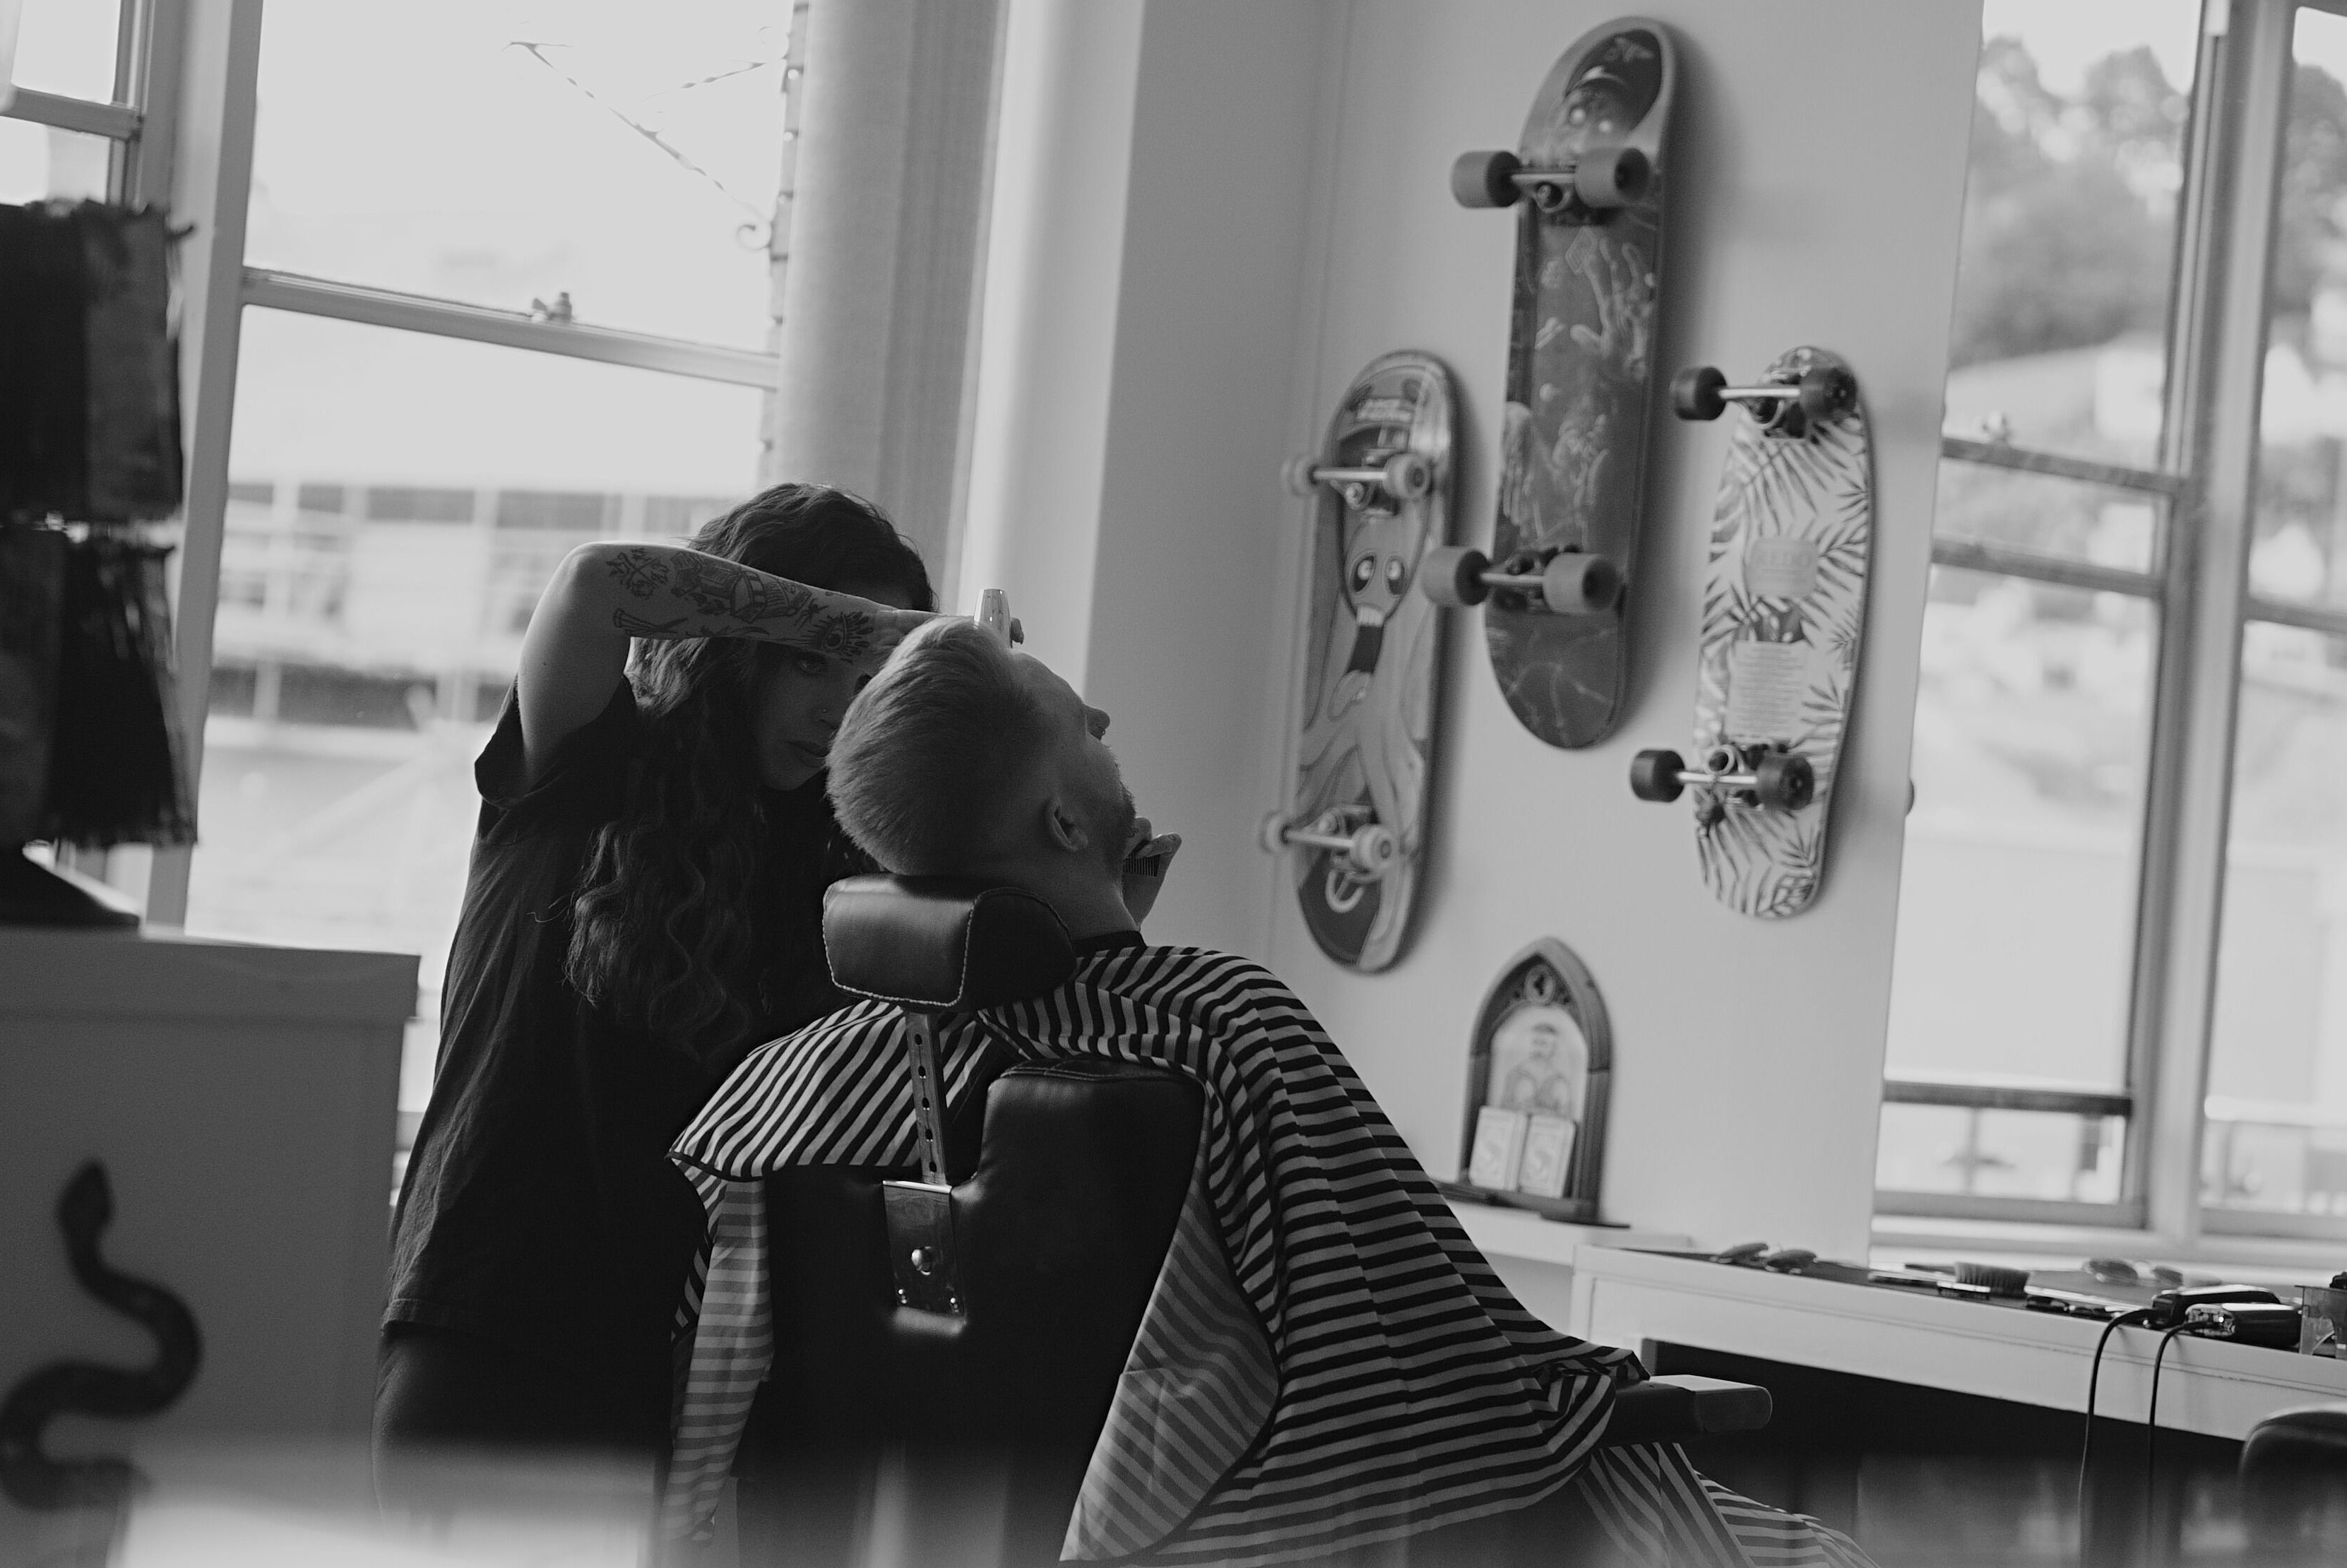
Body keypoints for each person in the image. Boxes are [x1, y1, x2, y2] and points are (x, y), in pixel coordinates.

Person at [662, 619, 1872, 1567]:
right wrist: (1598, 1393)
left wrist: (1108, 932)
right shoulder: (1221, 1029)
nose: (1099, 721)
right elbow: (1442, 1373)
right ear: (1064, 815)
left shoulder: (793, 1089)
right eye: (1076, 722)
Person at [374, 484, 934, 1492]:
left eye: (869, 678)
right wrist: (881, 628)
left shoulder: (833, 876)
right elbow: (594, 585)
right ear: (732, 644)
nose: (838, 704)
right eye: (812, 660)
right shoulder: (588, 764)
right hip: (489, 1328)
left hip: (681, 1378)